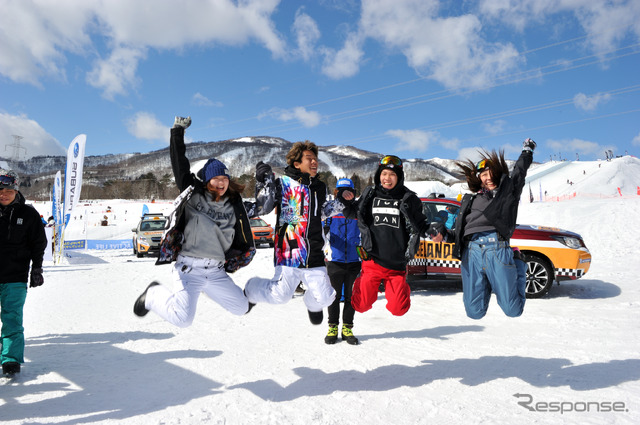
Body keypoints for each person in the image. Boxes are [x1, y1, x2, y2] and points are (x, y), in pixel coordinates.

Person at [133, 116, 256, 327]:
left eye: (224, 180)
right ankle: (153, 294)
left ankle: (244, 290)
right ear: (207, 181)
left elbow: (261, 207)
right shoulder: (193, 194)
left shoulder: (234, 204)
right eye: (216, 179)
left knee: (242, 308)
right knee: (183, 319)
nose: (221, 183)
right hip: (189, 269)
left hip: (216, 271)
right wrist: (177, 132)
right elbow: (179, 163)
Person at [429, 138, 536, 319]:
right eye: (483, 175)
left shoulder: (507, 193)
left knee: (513, 310)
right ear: (479, 179)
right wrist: (442, 234)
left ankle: (518, 262)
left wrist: (527, 151)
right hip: (471, 255)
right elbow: (458, 234)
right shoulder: (469, 200)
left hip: (497, 250)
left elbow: (519, 173)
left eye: (490, 173)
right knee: (474, 313)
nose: (488, 177)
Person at [243, 141, 336, 325]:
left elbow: (322, 212)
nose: (314, 162)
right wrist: (263, 180)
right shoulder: (282, 184)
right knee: (280, 296)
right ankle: (252, 289)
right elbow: (264, 205)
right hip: (289, 252)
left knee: (326, 298)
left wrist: (341, 203)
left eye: (315, 159)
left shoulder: (320, 188)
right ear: (296, 164)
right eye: (309, 159)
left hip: (314, 254)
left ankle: (312, 304)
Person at [351, 155, 431, 317]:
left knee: (398, 309)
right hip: (372, 260)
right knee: (360, 305)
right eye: (384, 174)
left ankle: (401, 289)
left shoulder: (409, 199)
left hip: (396, 264)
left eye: (392, 175)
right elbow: (354, 212)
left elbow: (421, 225)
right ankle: (362, 280)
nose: (387, 178)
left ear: (399, 177)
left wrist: (435, 231)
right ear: (379, 176)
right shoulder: (370, 196)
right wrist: (344, 198)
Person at [0, 169, 46, 376]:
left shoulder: (28, 214)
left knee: (12, 319)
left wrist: (37, 267)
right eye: (0, 190)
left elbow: (39, 243)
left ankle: (10, 359)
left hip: (15, 278)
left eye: (8, 190)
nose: (3, 194)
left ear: (16, 190)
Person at [322, 178, 360, 345]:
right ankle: (332, 328)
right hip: (334, 261)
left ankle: (347, 328)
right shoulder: (330, 210)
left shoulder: (358, 210)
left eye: (348, 191)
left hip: (354, 260)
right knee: (334, 297)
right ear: (336, 192)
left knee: (352, 297)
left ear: (353, 193)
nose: (345, 194)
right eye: (341, 190)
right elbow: (319, 233)